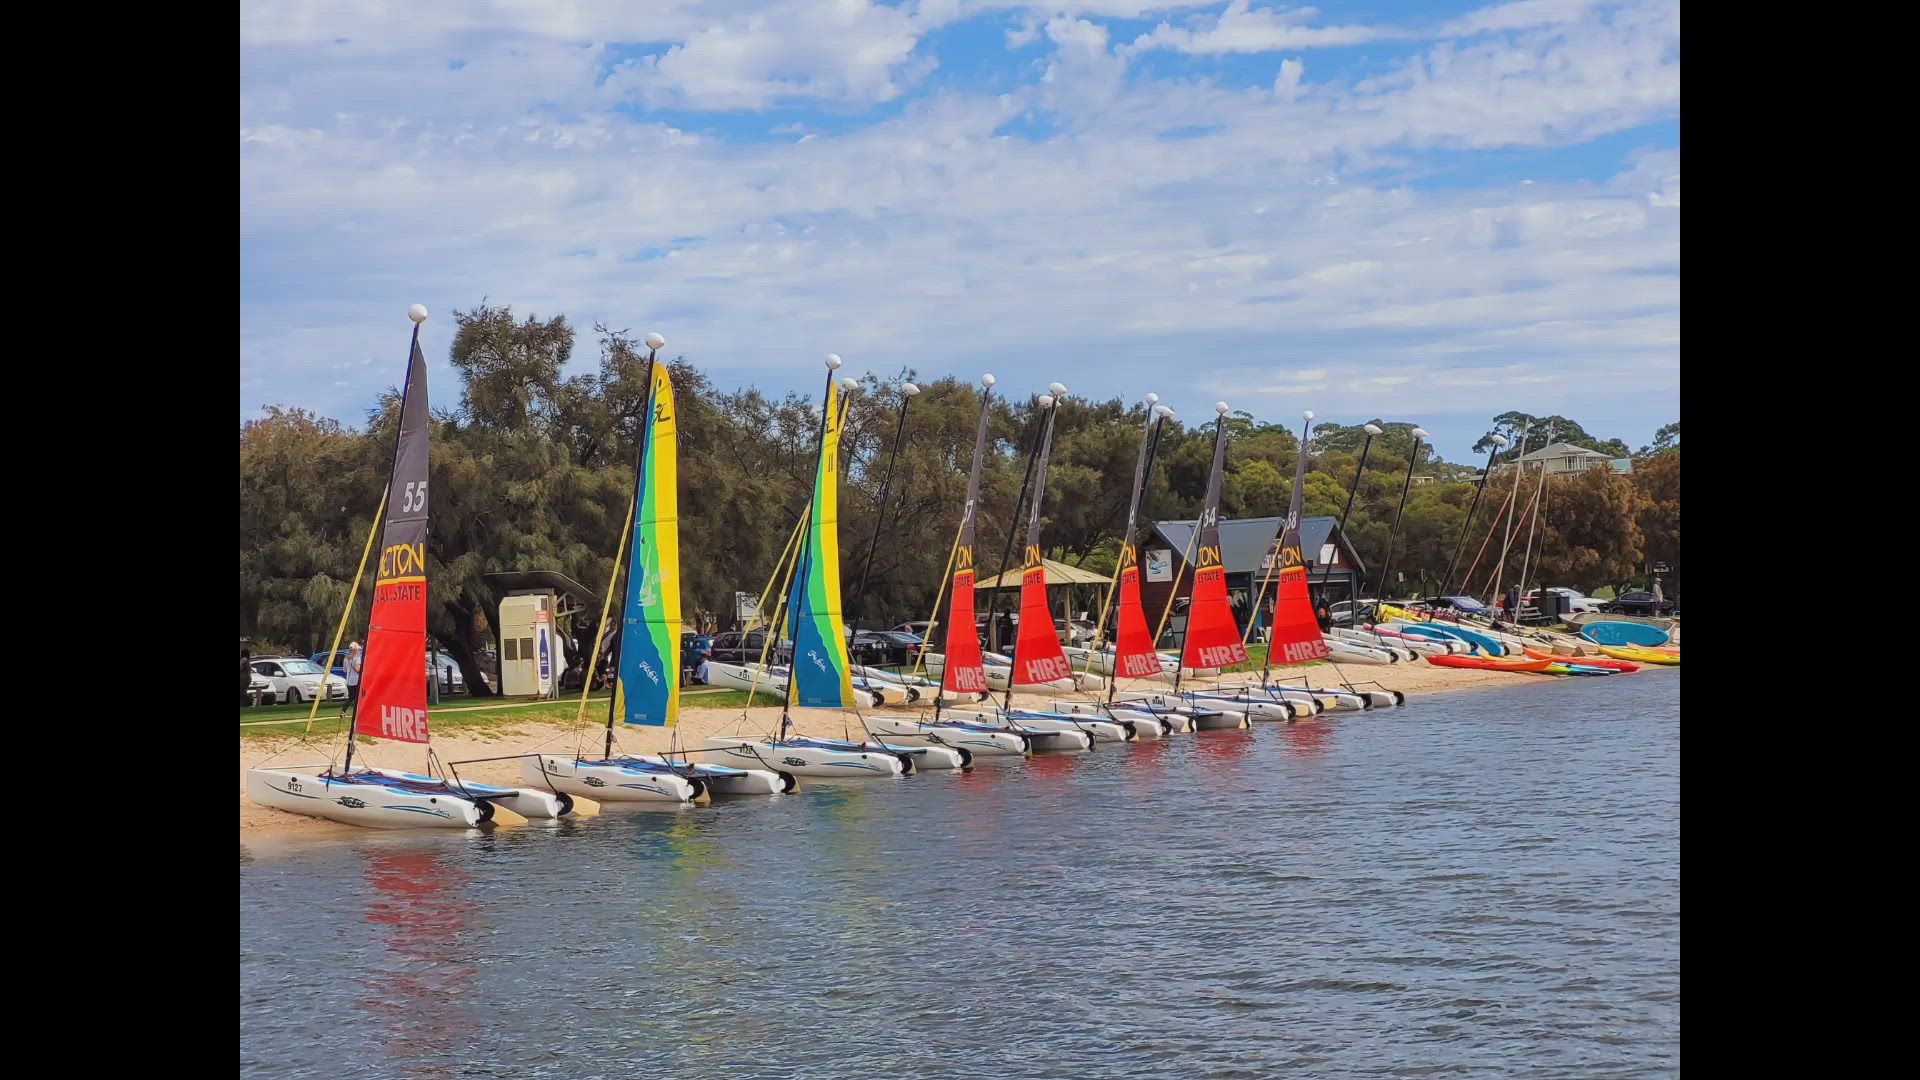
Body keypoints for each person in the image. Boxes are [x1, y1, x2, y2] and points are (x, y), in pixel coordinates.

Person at [344, 641, 363, 709]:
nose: (359, 651)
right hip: (356, 681)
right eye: (358, 649)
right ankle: (357, 711)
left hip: (349, 681)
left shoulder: (346, 659)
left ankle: (343, 710)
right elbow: (358, 669)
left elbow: (345, 670)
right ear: (355, 650)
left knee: (351, 697)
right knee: (357, 698)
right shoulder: (357, 658)